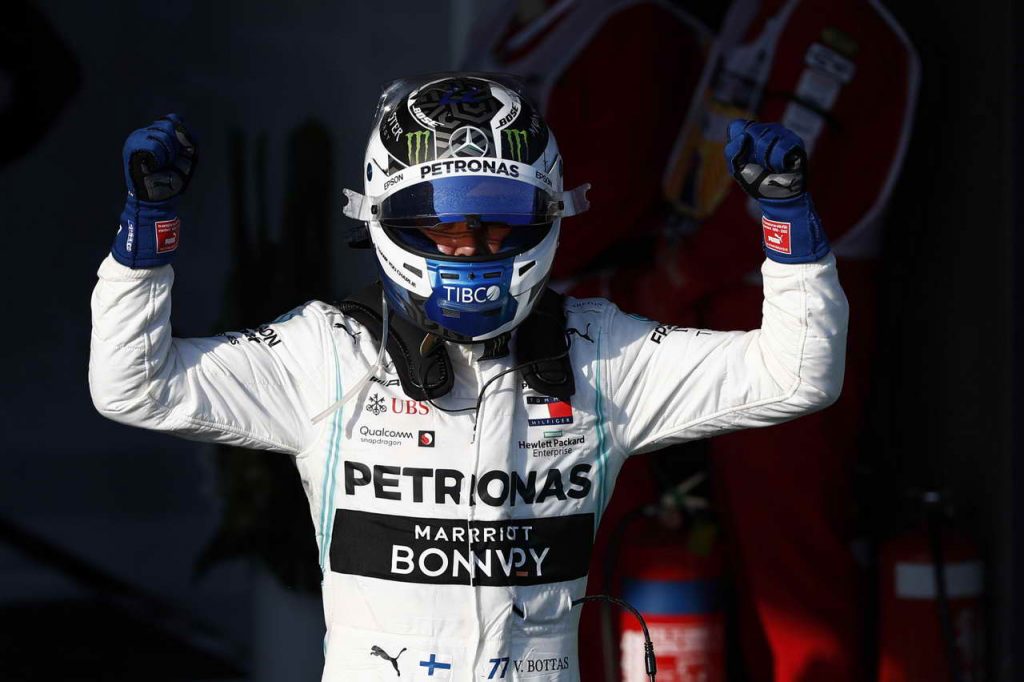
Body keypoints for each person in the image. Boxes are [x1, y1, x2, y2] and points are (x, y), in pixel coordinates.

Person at [89, 73, 848, 681]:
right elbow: (133, 385)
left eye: (498, 223)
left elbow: (796, 375)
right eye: (443, 226)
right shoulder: (327, 353)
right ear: (381, 220)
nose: (471, 248)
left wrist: (789, 229)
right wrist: (146, 238)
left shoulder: (600, 352)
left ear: (549, 216)